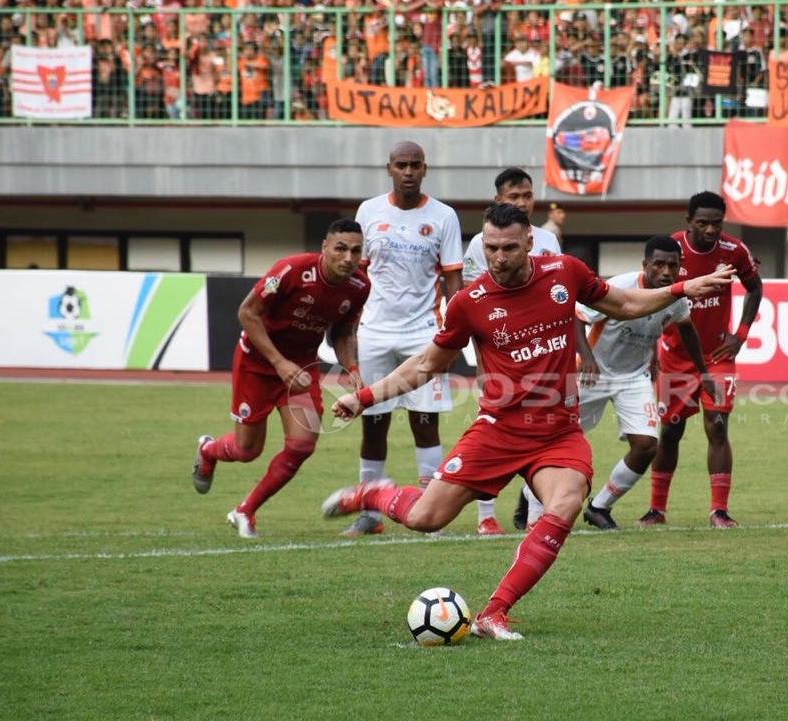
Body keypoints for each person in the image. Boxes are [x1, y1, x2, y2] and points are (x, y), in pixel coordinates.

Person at [320, 203, 736, 640]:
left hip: (557, 434)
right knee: (426, 518)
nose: (498, 257)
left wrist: (684, 288)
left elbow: (627, 303)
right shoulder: (470, 302)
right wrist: (364, 397)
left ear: (529, 244)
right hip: (498, 430)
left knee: (566, 502)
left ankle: (493, 613)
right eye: (491, 247)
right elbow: (425, 364)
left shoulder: (564, 272)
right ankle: (373, 493)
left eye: (509, 248)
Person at [192, 219, 370, 538]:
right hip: (257, 364)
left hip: (300, 370)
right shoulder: (291, 270)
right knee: (248, 450)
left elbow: (343, 333)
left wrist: (353, 370)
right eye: (340, 249)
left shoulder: (359, 286)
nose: (348, 257)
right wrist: (278, 361)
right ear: (325, 248)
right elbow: (247, 313)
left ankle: (245, 510)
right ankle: (208, 451)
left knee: (302, 445)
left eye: (356, 251)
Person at [344, 141, 464, 537]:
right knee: (372, 423)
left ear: (424, 169)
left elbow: (452, 278)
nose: (408, 171)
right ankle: (369, 514)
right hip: (375, 331)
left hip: (422, 333)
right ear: (389, 168)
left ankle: (432, 514)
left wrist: (457, 327)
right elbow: (357, 276)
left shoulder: (444, 216)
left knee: (424, 422)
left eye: (415, 165)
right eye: (401, 165)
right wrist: (349, 326)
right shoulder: (368, 211)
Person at [575, 236, 716, 531]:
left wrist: (703, 373)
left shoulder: (675, 296)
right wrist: (586, 358)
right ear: (645, 265)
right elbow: (576, 317)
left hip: (633, 377)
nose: (665, 271)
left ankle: (599, 507)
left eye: (672, 266)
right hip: (592, 374)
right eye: (659, 264)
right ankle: (529, 499)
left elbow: (687, 330)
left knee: (647, 445)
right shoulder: (620, 286)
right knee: (561, 441)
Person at [642, 191, 763, 529]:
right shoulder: (672, 250)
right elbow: (650, 293)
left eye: (716, 223)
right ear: (689, 222)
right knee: (670, 433)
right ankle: (656, 509)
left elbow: (756, 287)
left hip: (716, 357)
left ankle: (719, 511)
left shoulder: (734, 250)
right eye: (702, 223)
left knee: (719, 427)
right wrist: (651, 349)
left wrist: (739, 334)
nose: (710, 230)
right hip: (675, 357)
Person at [461, 167, 570, 536]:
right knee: (489, 430)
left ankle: (537, 519)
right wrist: (479, 363)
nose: (522, 202)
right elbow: (473, 308)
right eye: (513, 197)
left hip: (542, 358)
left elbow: (563, 302)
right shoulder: (480, 244)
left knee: (544, 433)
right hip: (500, 356)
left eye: (527, 195)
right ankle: (485, 516)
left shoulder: (548, 242)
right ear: (498, 201)